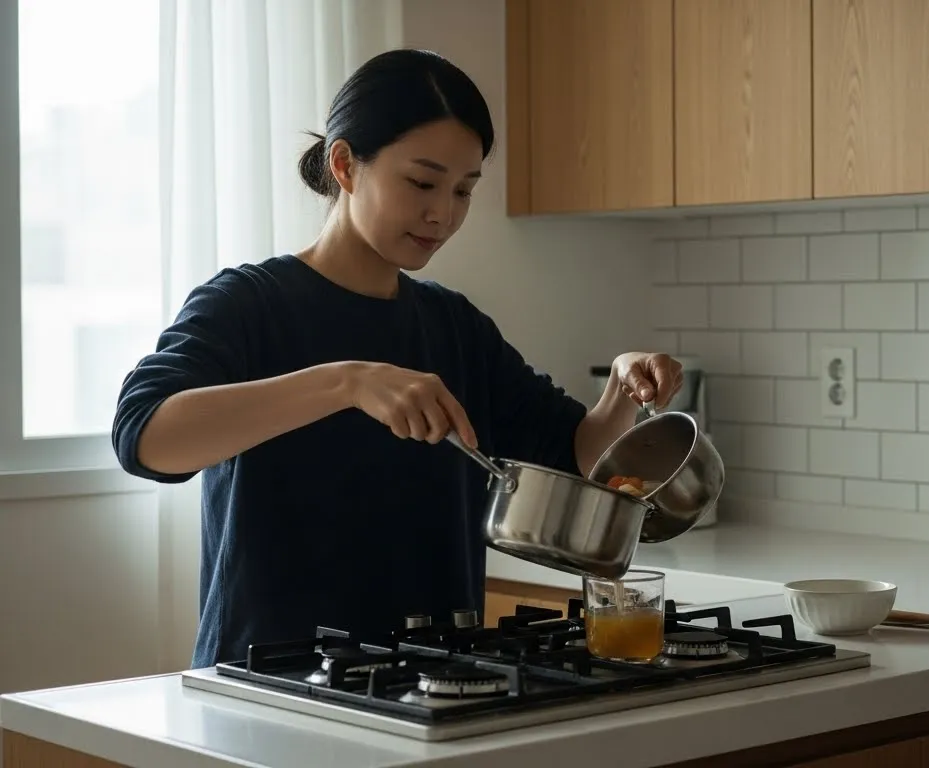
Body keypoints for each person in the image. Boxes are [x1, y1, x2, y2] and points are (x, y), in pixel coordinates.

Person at [111, 48, 682, 669]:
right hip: (271, 686)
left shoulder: (452, 325)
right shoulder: (248, 304)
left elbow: (576, 452)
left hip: (434, 687)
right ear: (345, 165)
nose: (444, 213)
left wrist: (622, 395)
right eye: (421, 182)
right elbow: (146, 438)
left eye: (463, 190)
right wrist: (347, 382)